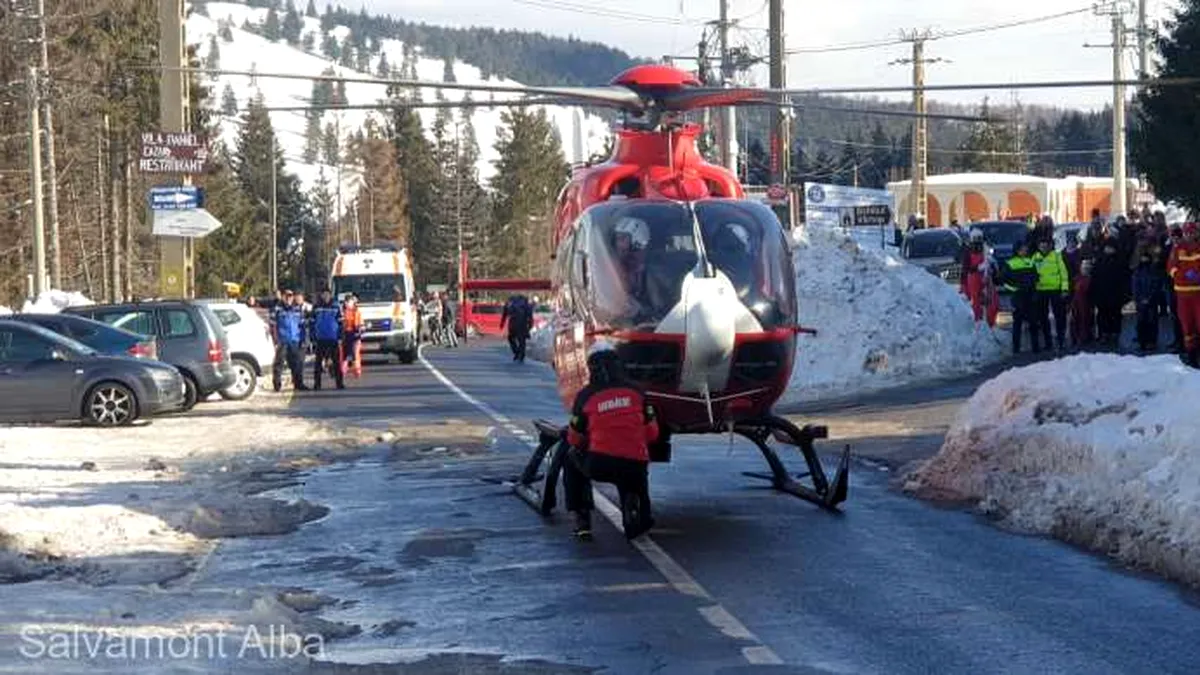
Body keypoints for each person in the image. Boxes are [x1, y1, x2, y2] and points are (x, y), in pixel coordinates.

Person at [563, 341, 659, 541]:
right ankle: (638, 512)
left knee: (571, 458)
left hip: (600, 464)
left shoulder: (585, 395)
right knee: (634, 469)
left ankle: (582, 521)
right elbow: (652, 433)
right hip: (636, 464)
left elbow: (574, 438)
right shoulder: (638, 392)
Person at [1167, 222, 1200, 367]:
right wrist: (1184, 276)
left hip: (1198, 294)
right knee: (1187, 326)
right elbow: (1171, 268)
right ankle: (1191, 357)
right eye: (1187, 233)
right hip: (1182, 295)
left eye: (1192, 233)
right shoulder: (1177, 248)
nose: (1189, 235)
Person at [1033, 237, 1070, 353]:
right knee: (1043, 317)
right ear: (1039, 247)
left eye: (1046, 246)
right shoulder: (1035, 257)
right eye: (1041, 246)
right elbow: (1031, 273)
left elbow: (1064, 273)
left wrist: (1064, 289)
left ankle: (1061, 340)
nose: (1044, 248)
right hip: (1041, 290)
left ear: (1050, 246)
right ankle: (1048, 342)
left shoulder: (1056, 256)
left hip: (1055, 290)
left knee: (1059, 315)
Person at [1001, 241, 1039, 353]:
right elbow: (1004, 281)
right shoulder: (1010, 263)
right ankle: (1016, 348)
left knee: (1033, 323)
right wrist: (1014, 289)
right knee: (1017, 324)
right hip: (1018, 297)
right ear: (1017, 250)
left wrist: (1034, 290)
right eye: (1022, 249)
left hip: (1030, 296)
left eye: (1025, 249)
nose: (1025, 251)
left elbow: (1035, 277)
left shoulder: (1030, 262)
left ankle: (1035, 347)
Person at [959, 229, 999, 328]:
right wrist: (978, 267)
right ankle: (978, 323)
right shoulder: (968, 252)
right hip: (973, 279)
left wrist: (992, 265)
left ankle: (990, 324)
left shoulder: (986, 250)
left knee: (992, 301)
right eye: (975, 238)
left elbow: (994, 267)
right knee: (976, 302)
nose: (977, 241)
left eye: (979, 238)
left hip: (986, 278)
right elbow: (966, 269)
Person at [271, 290, 308, 392]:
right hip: (282, 340)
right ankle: (277, 385)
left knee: (296, 364)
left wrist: (303, 339)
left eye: (291, 296)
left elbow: (302, 326)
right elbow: (273, 325)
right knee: (279, 363)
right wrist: (275, 339)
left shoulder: (297, 309)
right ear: (283, 297)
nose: (289, 299)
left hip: (295, 340)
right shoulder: (278, 308)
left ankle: (298, 384)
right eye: (287, 296)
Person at [311, 289, 345, 390]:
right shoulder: (316, 307)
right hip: (320, 338)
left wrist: (340, 337)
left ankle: (339, 383)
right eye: (324, 294)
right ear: (321, 295)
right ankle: (317, 384)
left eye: (327, 294)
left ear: (330, 295)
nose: (325, 296)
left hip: (333, 338)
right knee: (318, 364)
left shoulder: (336, 306)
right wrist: (313, 337)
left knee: (336, 362)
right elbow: (312, 322)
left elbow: (341, 323)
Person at [1132, 249, 1165, 353]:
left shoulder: (1154, 271)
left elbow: (1156, 286)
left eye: (1146, 258)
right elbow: (1135, 287)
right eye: (1143, 258)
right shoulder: (1137, 271)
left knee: (1152, 321)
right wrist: (1139, 298)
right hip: (1140, 301)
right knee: (1141, 321)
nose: (1144, 260)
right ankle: (1142, 341)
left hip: (1152, 301)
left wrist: (1149, 298)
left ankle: (1152, 341)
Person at [500, 294, 534, 362]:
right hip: (523, 324)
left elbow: (505, 313)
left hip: (513, 324)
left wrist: (502, 323)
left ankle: (517, 352)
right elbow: (530, 317)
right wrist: (530, 325)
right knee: (522, 341)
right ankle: (521, 354)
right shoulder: (527, 305)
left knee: (511, 338)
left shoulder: (510, 304)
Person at [341, 293, 364, 378]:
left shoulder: (357, 312)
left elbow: (361, 323)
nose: (347, 303)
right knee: (345, 354)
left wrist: (361, 329)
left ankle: (357, 370)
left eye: (349, 301)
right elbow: (340, 323)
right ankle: (343, 371)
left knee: (355, 353)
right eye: (346, 302)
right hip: (345, 335)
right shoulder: (342, 312)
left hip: (355, 335)